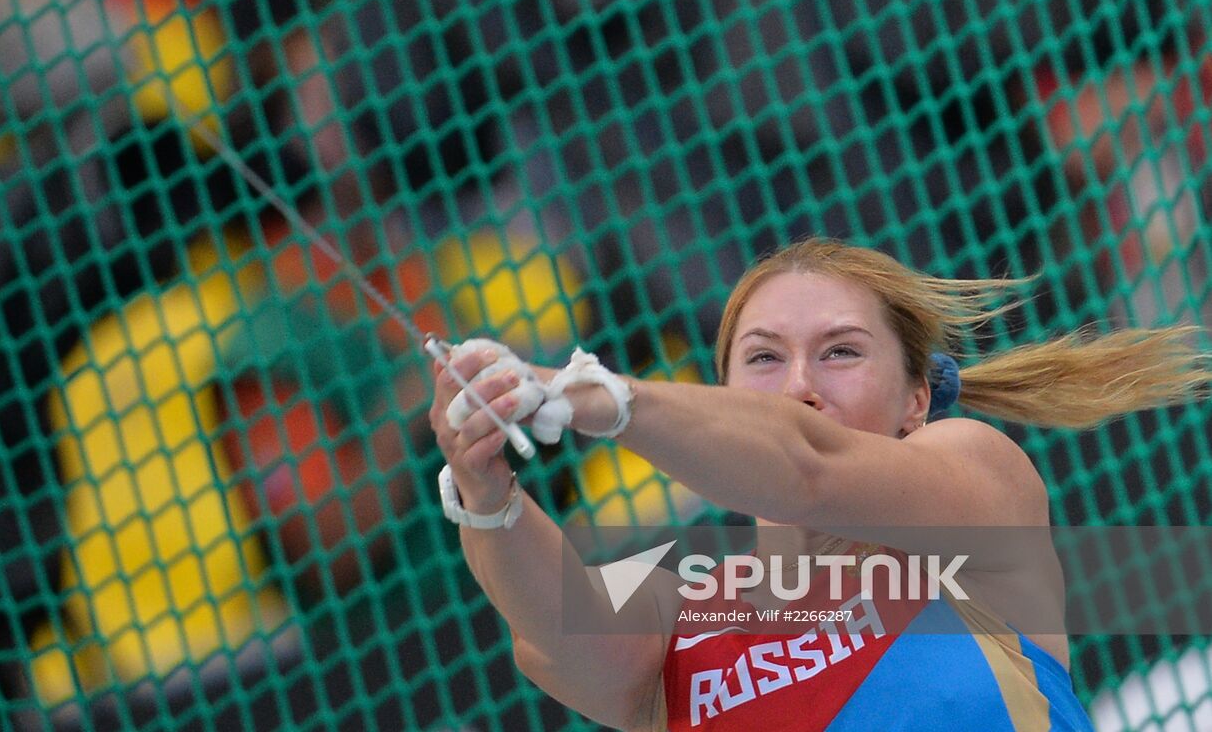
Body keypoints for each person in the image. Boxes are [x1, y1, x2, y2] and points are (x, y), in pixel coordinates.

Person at [429, 238, 1205, 730]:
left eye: (840, 353)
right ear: (722, 395)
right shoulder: (684, 608)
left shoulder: (976, 483)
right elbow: (556, 635)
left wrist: (597, 398)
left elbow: (806, 468)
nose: (798, 386)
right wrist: (482, 485)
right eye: (762, 359)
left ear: (913, 401)